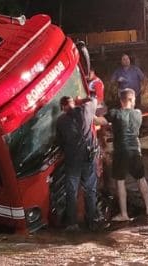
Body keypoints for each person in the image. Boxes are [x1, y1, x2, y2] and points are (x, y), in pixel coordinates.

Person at [100, 88, 148, 221]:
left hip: (121, 152)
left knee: (120, 182)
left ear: (121, 100)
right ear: (131, 99)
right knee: (141, 179)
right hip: (135, 150)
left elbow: (98, 121)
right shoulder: (138, 113)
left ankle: (124, 214)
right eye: (134, 99)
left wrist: (90, 109)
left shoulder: (115, 113)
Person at [55, 94, 105, 231]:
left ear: (62, 107)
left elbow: (60, 142)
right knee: (90, 190)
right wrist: (81, 100)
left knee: (71, 191)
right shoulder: (86, 110)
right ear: (73, 103)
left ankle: (72, 223)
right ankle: (92, 221)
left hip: (72, 161)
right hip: (88, 158)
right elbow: (94, 99)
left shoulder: (60, 121)